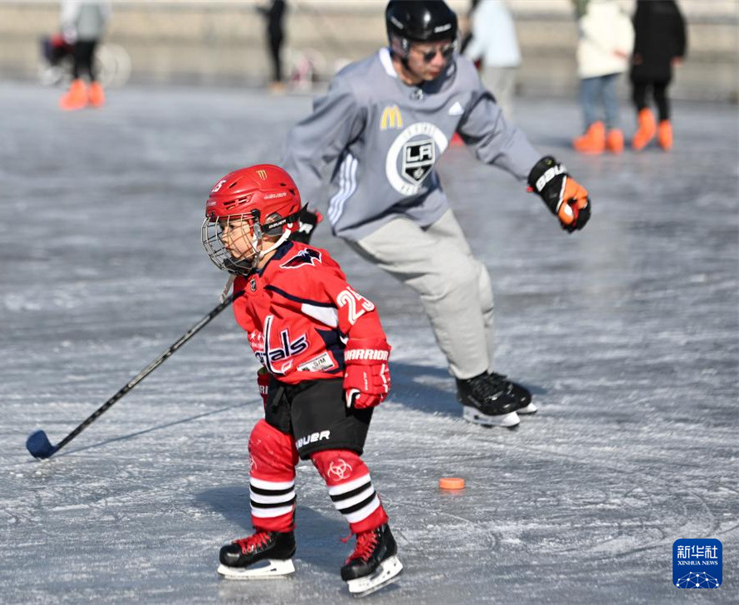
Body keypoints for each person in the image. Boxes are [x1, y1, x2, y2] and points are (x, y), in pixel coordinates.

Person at [281, 0, 592, 429]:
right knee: (451, 278)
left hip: (425, 203)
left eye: (448, 48)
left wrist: (547, 179)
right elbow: (311, 152)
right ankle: (473, 382)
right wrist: (291, 219)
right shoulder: (360, 88)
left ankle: (480, 380)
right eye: (429, 52)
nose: (440, 60)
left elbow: (495, 134)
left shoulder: (458, 76)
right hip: (368, 216)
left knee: (476, 281)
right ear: (399, 44)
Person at [202, 164, 403, 596]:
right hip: (289, 383)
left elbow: (361, 313)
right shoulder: (254, 275)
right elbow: (271, 332)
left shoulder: (305, 270)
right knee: (268, 444)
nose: (223, 236)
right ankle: (275, 540)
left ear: (269, 223)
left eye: (233, 225)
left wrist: (367, 369)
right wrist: (267, 377)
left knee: (333, 457)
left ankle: (376, 538)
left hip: (328, 379)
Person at [572, 0, 634, 154]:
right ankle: (614, 135)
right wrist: (625, 50)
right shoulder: (616, 7)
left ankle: (594, 135)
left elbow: (589, 28)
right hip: (614, 62)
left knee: (589, 100)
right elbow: (627, 28)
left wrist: (610, 49)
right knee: (610, 98)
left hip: (593, 62)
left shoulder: (586, 6)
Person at [629, 0, 686, 152]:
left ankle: (647, 126)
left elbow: (638, 27)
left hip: (645, 57)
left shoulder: (645, 3)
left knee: (638, 93)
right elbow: (680, 28)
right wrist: (680, 52)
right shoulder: (671, 4)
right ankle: (665, 135)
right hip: (665, 58)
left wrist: (636, 52)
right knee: (661, 95)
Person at [462, 0, 521, 119]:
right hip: (512, 60)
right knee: (505, 101)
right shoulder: (499, 6)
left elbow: (481, 39)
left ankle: (493, 133)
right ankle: (507, 133)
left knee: (488, 99)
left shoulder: (483, 9)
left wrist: (465, 59)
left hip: (495, 61)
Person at [58, 0, 111, 111]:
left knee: (77, 63)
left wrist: (66, 29)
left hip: (80, 34)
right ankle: (96, 95)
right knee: (90, 62)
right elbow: (106, 14)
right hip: (94, 34)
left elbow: (69, 14)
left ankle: (77, 96)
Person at [256, 0, 287, 94]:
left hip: (276, 34)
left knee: (276, 58)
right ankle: (276, 79)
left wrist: (259, 9)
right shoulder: (276, 3)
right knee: (274, 58)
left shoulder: (279, 3)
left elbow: (271, 14)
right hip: (273, 33)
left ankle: (278, 80)